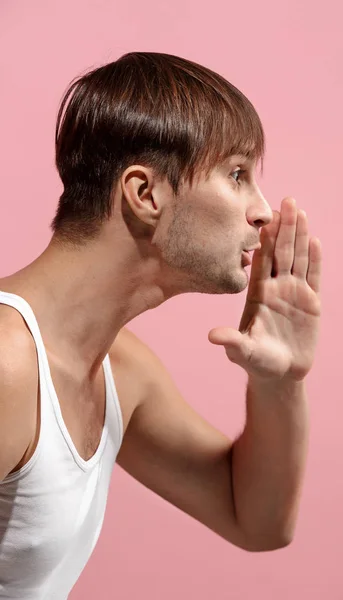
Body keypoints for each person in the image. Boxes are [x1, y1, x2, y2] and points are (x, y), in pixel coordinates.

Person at [0, 52, 322, 598]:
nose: (264, 211)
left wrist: (279, 382)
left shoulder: (119, 369)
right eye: (238, 174)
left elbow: (256, 521)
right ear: (145, 193)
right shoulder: (7, 366)